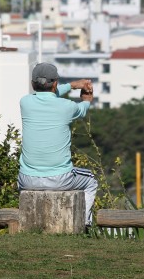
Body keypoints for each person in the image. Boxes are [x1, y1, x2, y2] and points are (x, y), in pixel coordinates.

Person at [18, 62, 98, 226]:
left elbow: (49, 95)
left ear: (33, 84)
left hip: (27, 179)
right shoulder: (67, 106)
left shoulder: (25, 102)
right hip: (60, 179)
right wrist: (87, 100)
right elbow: (81, 109)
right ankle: (84, 223)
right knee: (91, 181)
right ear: (55, 83)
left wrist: (71, 85)